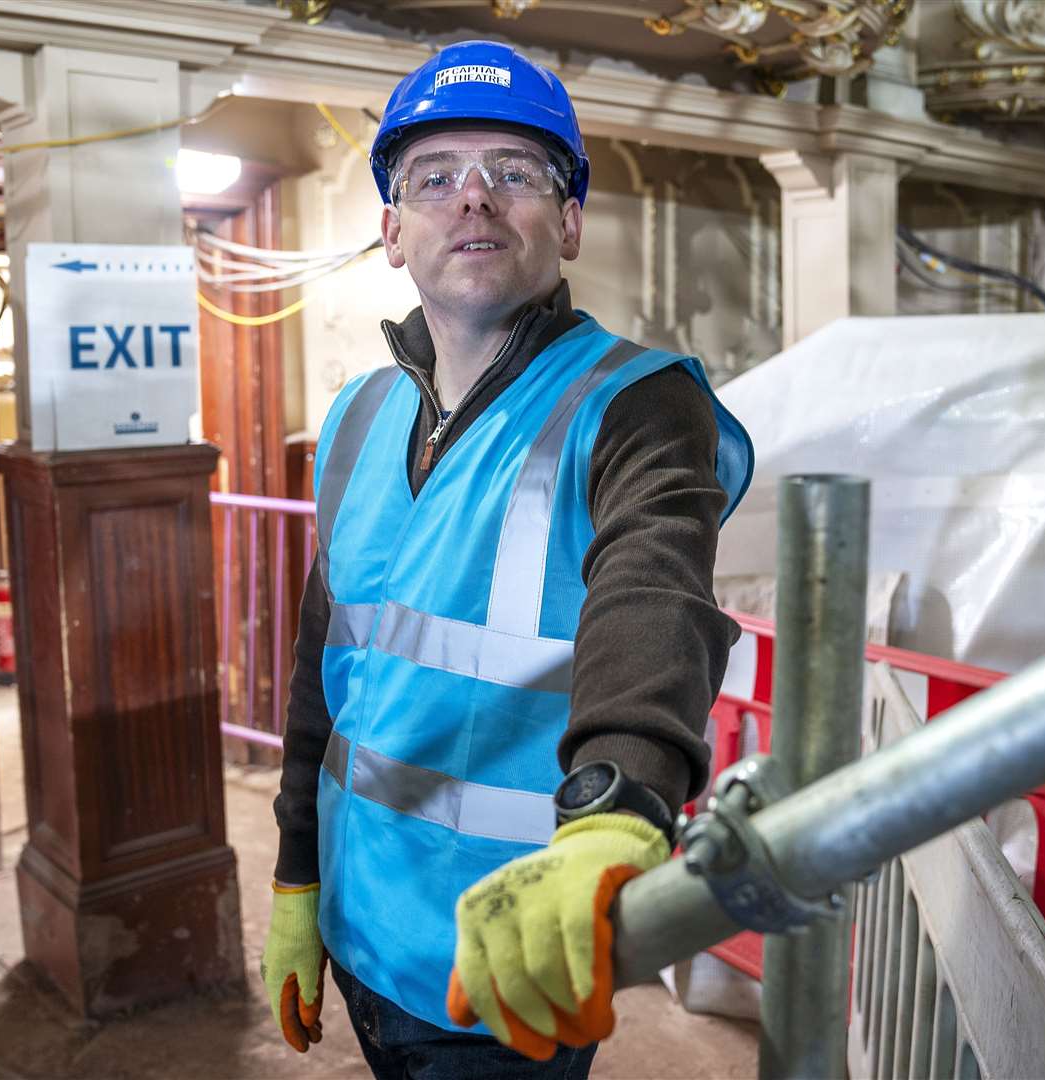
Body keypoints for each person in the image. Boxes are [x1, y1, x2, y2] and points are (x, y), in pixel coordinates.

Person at [260, 39, 754, 1079]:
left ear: (567, 222)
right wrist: (297, 882)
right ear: (393, 233)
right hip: (359, 929)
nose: (472, 199)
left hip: (505, 961)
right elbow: (326, 675)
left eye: (514, 174)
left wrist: (618, 811)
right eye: (434, 178)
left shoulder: (635, 402)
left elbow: (655, 592)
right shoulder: (358, 415)